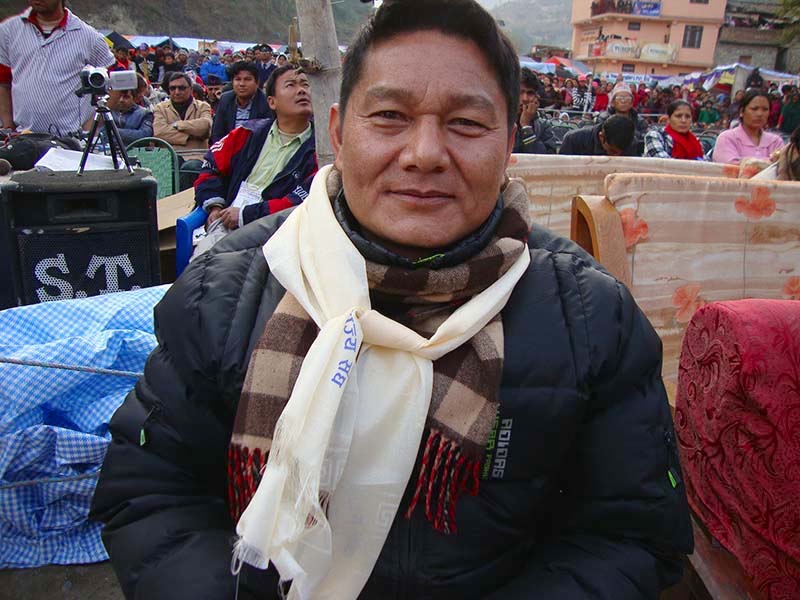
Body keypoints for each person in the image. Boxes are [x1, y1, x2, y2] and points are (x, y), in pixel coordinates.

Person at [90, 1, 693, 598]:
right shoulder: (228, 289)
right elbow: (153, 493)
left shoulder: (588, 315)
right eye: (388, 116)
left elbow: (630, 534)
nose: (424, 153)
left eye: (466, 123)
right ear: (337, 132)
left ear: (510, 141)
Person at [192, 65, 316, 255]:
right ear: (272, 102)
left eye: (305, 85)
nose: (301, 90)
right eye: (291, 85)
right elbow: (210, 166)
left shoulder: (322, 150)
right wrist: (215, 206)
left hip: (279, 236)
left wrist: (246, 215)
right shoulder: (247, 133)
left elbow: (300, 202)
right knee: (203, 263)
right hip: (228, 224)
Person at [0, 0, 114, 135]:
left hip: (70, 139)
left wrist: (91, 125)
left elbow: (118, 82)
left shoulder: (89, 37)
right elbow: (3, 82)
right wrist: (8, 127)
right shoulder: (8, 30)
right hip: (23, 136)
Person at [153, 71, 213, 189]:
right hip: (169, 156)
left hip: (196, 157)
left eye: (181, 88)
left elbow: (205, 127)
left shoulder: (203, 106)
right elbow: (159, 133)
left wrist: (178, 125)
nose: (177, 92)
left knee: (190, 167)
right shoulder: (160, 108)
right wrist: (191, 135)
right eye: (173, 88)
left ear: (191, 89)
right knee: (163, 167)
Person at [713, 88, 784, 164]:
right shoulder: (727, 138)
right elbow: (731, 166)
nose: (760, 114)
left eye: (765, 109)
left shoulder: (775, 141)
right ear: (741, 111)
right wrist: (770, 161)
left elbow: (783, 166)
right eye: (754, 109)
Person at [210, 61, 271, 144]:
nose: (242, 84)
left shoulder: (266, 102)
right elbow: (217, 134)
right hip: (229, 147)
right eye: (238, 79)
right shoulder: (225, 99)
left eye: (247, 79)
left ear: (257, 83)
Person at [514, 67, 557, 154]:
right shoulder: (500, 123)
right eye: (520, 92)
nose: (525, 99)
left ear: (536, 97)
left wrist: (526, 127)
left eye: (530, 93)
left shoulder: (544, 126)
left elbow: (543, 159)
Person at [596, 82, 649, 148]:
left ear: (632, 103)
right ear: (612, 102)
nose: (623, 101)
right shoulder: (604, 118)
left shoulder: (640, 121)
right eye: (619, 98)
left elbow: (644, 141)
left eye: (627, 98)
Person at [560, 113, 637, 156]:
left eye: (621, 153)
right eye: (612, 151)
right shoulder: (573, 140)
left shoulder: (632, 143)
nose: (616, 156)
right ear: (601, 137)